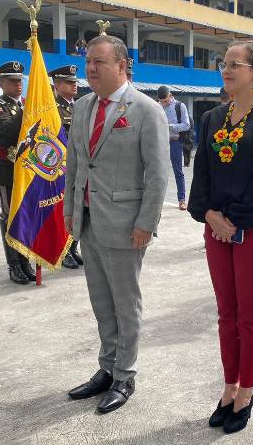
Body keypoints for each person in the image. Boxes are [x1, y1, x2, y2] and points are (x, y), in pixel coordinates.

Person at [188, 40, 253, 434]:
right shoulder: (213, 117)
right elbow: (202, 172)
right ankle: (229, 385)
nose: (226, 70)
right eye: (224, 63)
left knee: (248, 314)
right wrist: (209, 214)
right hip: (216, 228)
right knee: (225, 313)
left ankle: (248, 388)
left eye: (235, 64)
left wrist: (234, 220)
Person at [64, 33, 169, 414]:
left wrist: (146, 222)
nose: (90, 68)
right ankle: (106, 368)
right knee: (101, 302)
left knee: (125, 304)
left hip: (126, 224)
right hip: (89, 220)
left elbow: (157, 173)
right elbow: (75, 164)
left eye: (99, 62)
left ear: (122, 66)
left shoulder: (146, 110)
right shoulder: (82, 106)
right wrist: (70, 212)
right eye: (88, 61)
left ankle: (125, 375)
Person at [0, 61, 36, 285]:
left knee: (27, 217)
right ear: (1, 83)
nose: (18, 84)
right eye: (12, 81)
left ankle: (25, 261)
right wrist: (26, 110)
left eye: (20, 80)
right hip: (8, 171)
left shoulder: (26, 104)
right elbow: (5, 132)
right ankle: (14, 264)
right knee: (10, 217)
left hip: (29, 170)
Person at [50, 64, 84, 270]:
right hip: (61, 167)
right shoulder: (52, 108)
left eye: (75, 82)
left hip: (80, 165)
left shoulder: (80, 106)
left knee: (78, 207)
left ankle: (72, 248)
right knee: (63, 209)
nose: (74, 85)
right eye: (69, 82)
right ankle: (62, 251)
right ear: (57, 84)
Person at [156, 86, 191, 209]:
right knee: (157, 172)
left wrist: (169, 126)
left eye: (166, 101)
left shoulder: (179, 106)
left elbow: (186, 125)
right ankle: (156, 201)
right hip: (161, 142)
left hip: (175, 142)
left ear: (170, 95)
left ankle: (181, 200)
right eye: (161, 101)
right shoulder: (157, 106)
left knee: (178, 172)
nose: (164, 104)